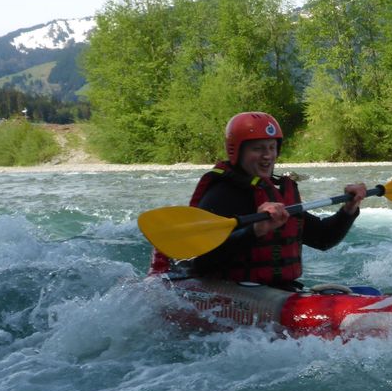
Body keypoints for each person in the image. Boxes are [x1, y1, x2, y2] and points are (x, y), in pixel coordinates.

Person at [152, 111, 366, 289]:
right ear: (237, 152)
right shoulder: (221, 193)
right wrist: (255, 231)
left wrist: (349, 209)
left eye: (272, 147)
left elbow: (322, 239)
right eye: (258, 148)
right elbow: (201, 261)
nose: (267, 156)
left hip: (274, 293)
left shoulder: (277, 193)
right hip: (227, 292)